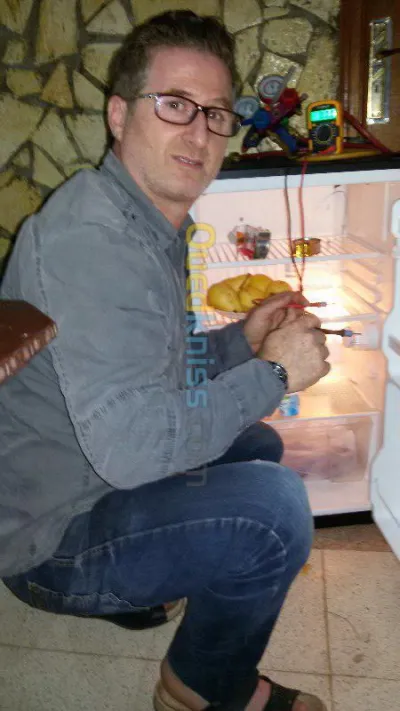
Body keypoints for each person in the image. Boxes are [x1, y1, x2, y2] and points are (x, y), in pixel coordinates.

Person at [0, 10, 330, 711]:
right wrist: (273, 373)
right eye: (174, 104)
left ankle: (147, 589)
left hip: (94, 476)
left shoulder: (147, 223)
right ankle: (202, 686)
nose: (199, 132)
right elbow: (135, 445)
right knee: (273, 509)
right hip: (48, 542)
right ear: (119, 115)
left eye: (216, 113)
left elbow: (160, 369)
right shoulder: (93, 240)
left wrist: (243, 341)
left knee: (259, 446)